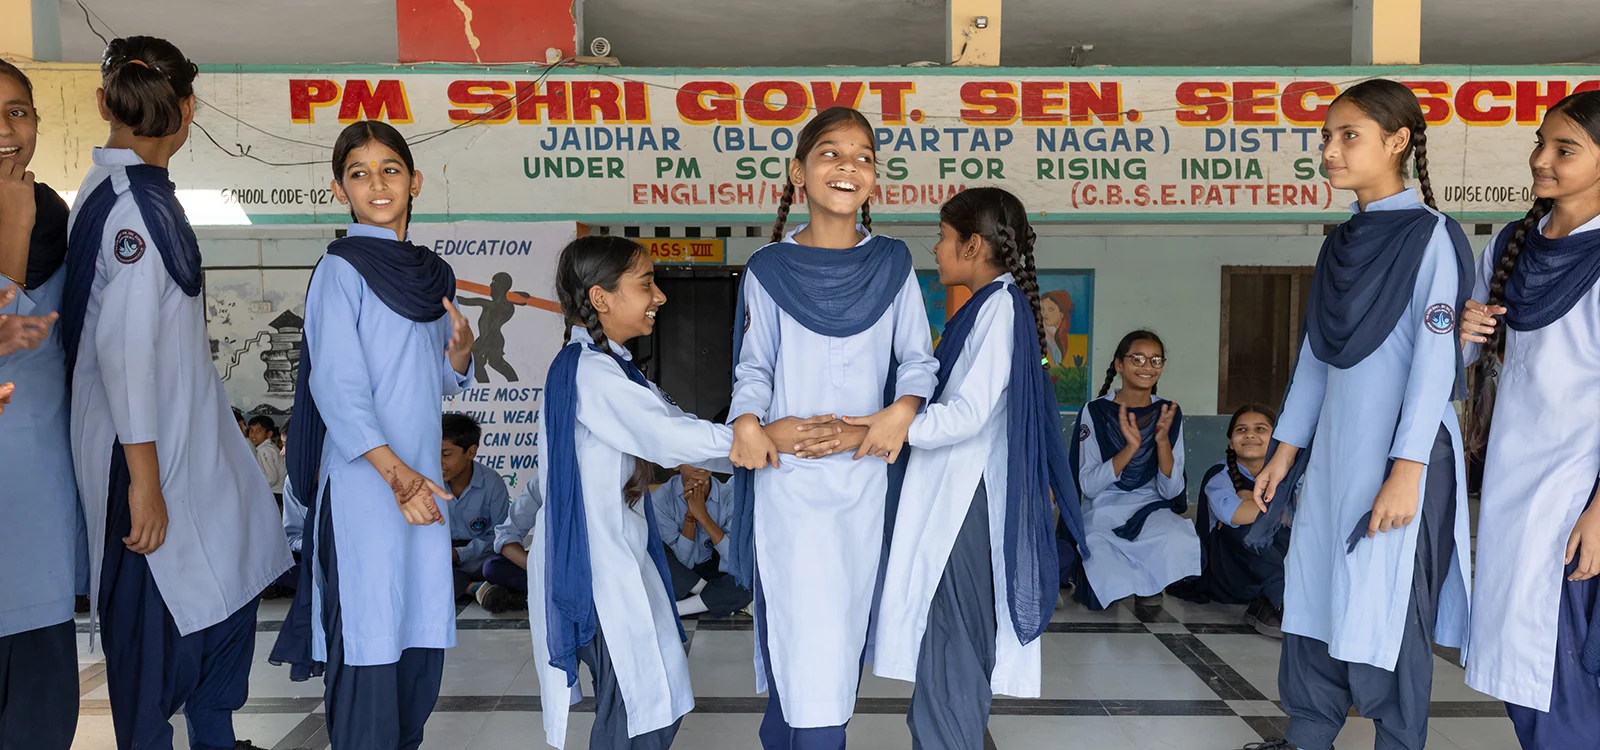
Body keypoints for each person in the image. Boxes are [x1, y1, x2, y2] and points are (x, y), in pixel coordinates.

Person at [59, 36, 293, 750]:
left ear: (103, 104)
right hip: (145, 461)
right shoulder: (133, 211)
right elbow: (126, 356)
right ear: (189, 110)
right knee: (153, 640)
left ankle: (217, 736)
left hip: (179, 453)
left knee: (224, 591)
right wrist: (144, 485)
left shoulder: (125, 195)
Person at [1247, 79, 1475, 750]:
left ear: (1397, 141)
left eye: (1348, 136)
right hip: (1335, 459)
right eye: (1325, 137)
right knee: (1315, 591)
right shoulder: (1340, 241)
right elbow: (1318, 357)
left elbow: (1436, 364)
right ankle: (1308, 734)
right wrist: (1284, 457)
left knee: (1387, 607)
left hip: (1401, 458)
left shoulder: (1432, 236)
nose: (1330, 151)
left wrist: (1405, 472)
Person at [725, 105, 939, 749]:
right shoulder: (767, 268)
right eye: (831, 153)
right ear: (797, 174)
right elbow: (754, 365)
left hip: (865, 478)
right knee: (808, 634)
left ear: (874, 179)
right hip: (788, 483)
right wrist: (747, 422)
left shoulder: (895, 263)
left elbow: (918, 360)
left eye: (864, 157)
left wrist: (901, 410)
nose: (849, 166)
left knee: (833, 638)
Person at [269, 119, 475, 750]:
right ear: (341, 189)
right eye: (359, 173)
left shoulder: (429, 275)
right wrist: (398, 475)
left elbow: (430, 381)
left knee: (416, 641)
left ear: (414, 182)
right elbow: (339, 389)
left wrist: (460, 356)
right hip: (368, 487)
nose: (376, 184)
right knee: (367, 634)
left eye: (389, 169)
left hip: (420, 486)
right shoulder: (342, 268)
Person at [861, 187, 1086, 749]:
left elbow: (965, 415)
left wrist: (888, 427)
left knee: (953, 643)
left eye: (942, 238)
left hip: (965, 504)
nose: (936, 250)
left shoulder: (1000, 309)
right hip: (956, 498)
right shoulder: (991, 306)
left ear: (973, 244)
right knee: (947, 647)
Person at [528, 235, 757, 749]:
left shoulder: (614, 368)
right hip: (595, 564)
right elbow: (670, 436)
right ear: (602, 298)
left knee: (654, 699)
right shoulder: (592, 374)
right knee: (640, 708)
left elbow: (679, 427)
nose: (660, 297)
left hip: (620, 557)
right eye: (647, 284)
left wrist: (759, 443)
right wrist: (759, 441)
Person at [1460, 90, 1600, 749]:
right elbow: (1468, 354)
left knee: (1562, 660)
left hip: (1578, 491)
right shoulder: (1514, 245)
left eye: (1564, 150)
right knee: (1519, 657)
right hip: (1514, 487)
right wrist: (1459, 329)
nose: (1540, 159)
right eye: (1541, 143)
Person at [0, 60, 80, 750]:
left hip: (38, 508)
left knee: (39, 717)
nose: (5, 129)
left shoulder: (56, 218)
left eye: (18, 111)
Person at [1069, 329, 1194, 611]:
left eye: (1155, 360)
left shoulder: (1169, 412)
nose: (1147, 367)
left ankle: (1148, 587)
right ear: (1119, 365)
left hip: (1151, 507)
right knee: (1099, 553)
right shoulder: (1096, 411)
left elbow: (1171, 491)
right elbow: (1088, 486)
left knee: (1176, 537)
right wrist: (1130, 449)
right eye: (1137, 359)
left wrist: (1162, 442)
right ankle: (1135, 582)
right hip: (1104, 507)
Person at [1171, 404, 1290, 638]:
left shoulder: (1290, 476)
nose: (1250, 435)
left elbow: (1307, 514)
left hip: (1270, 566)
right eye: (1241, 430)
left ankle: (1276, 600)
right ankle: (1279, 604)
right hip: (1230, 574)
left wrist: (1253, 504)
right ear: (1231, 443)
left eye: (1261, 429)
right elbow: (1234, 515)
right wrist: (1283, 508)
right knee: (1247, 530)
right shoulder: (1219, 475)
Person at [650, 466, 751, 618]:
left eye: (706, 456)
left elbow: (734, 562)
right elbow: (683, 563)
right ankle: (716, 597)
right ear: (676, 464)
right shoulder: (661, 499)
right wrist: (690, 517)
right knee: (651, 552)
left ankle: (676, 609)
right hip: (680, 576)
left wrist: (703, 516)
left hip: (716, 570)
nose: (701, 463)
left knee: (748, 577)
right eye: (692, 456)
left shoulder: (730, 496)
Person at [440, 412, 511, 597]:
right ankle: (475, 589)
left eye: (446, 454)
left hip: (478, 555)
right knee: (420, 564)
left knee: (495, 566)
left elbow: (499, 534)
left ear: (471, 452)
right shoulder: (428, 481)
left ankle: (467, 586)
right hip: (440, 554)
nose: (439, 462)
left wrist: (460, 553)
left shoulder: (492, 483)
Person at [474, 479, 541, 614]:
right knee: (493, 566)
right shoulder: (542, 482)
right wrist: (539, 570)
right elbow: (507, 534)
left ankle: (528, 597)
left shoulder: (593, 478)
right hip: (550, 568)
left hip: (590, 566)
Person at [455, 271, 525, 382]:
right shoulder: (495, 305)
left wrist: (483, 346)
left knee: (492, 364)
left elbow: (492, 328)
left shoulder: (500, 306)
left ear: (501, 287)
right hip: (486, 339)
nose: (491, 286)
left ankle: (507, 383)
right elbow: (466, 301)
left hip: (492, 341)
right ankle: (490, 384)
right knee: (482, 364)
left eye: (494, 283)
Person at [247, 415, 287, 505]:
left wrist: (255, 486)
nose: (253, 435)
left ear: (269, 434)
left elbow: (272, 478)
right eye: (251, 431)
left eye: (258, 431)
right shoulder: (269, 448)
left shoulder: (264, 450)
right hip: (279, 492)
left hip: (275, 494)